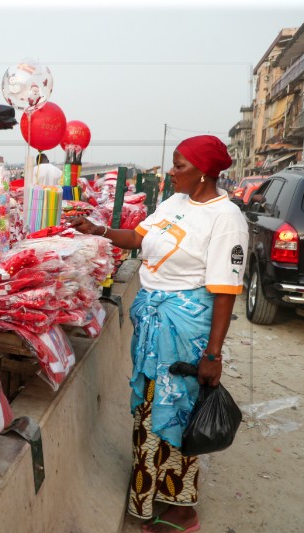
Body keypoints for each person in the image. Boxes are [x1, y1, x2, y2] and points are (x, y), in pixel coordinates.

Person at [71, 135, 248, 533]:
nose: (171, 171)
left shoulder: (226, 220)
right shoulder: (174, 203)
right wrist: (97, 229)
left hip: (185, 332)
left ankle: (182, 509)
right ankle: (148, 495)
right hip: (155, 326)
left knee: (178, 413)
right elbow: (138, 239)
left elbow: (224, 292)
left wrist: (213, 355)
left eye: (180, 165)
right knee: (149, 408)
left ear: (204, 173)